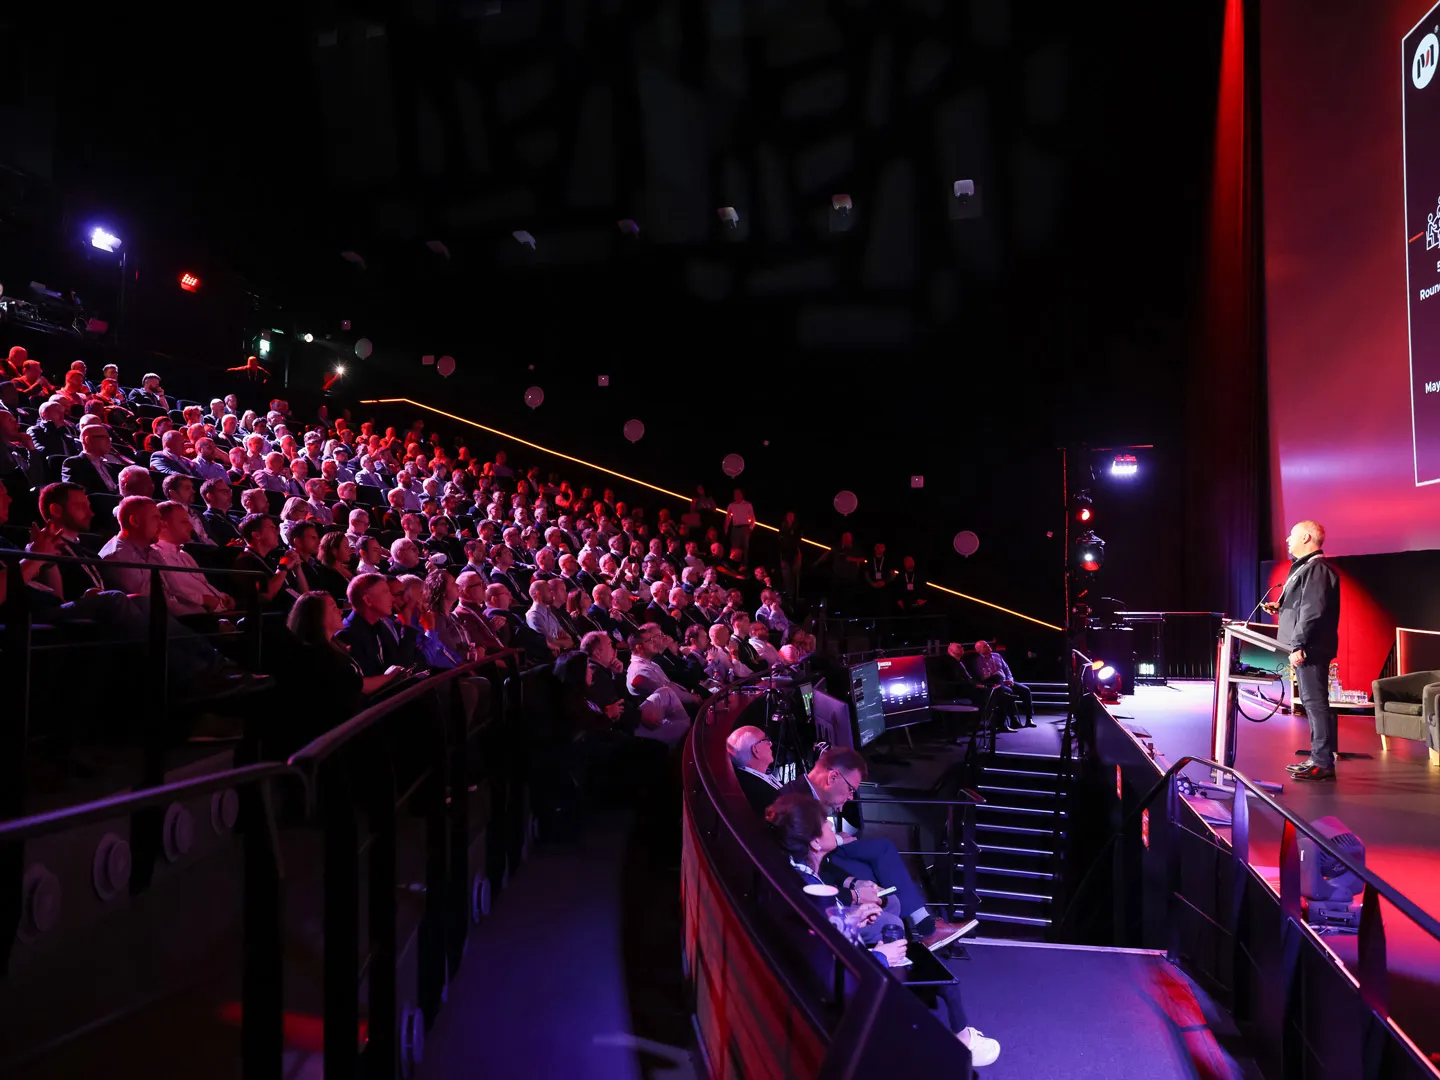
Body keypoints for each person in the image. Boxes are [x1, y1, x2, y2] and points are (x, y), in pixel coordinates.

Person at [764, 794, 1000, 1067]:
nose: (831, 826)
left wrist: (854, 917)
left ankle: (956, 1035)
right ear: (815, 842)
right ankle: (955, 1044)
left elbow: (829, 931)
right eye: (826, 824)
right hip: (847, 986)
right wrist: (881, 956)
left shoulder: (802, 873)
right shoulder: (813, 889)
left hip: (845, 965)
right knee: (944, 984)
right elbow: (831, 964)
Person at [773, 747, 970, 951]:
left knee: (883, 852)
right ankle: (910, 935)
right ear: (832, 777)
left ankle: (922, 927)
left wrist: (853, 881)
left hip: (828, 856)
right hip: (823, 865)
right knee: (877, 876)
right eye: (850, 789)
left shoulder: (813, 801)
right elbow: (806, 864)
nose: (851, 797)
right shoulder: (793, 803)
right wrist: (854, 889)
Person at [1263, 520, 1341, 782]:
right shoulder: (1306, 567)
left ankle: (1323, 762)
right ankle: (1317, 757)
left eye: (1292, 535)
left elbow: (1313, 611)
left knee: (1315, 704)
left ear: (1306, 538)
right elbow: (1303, 605)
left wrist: (1298, 644)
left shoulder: (1317, 569)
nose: (1287, 540)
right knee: (1311, 703)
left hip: (1311, 647)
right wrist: (1281, 607)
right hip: (1307, 645)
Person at [972, 640, 1034, 728]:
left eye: (987, 644)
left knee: (1026, 690)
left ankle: (1029, 719)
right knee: (1007, 693)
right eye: (985, 646)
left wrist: (1010, 680)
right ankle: (1012, 720)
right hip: (996, 685)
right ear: (979, 650)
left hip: (1007, 681)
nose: (988, 646)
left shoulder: (997, 655)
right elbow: (984, 677)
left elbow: (1006, 669)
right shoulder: (978, 661)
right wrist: (1002, 682)